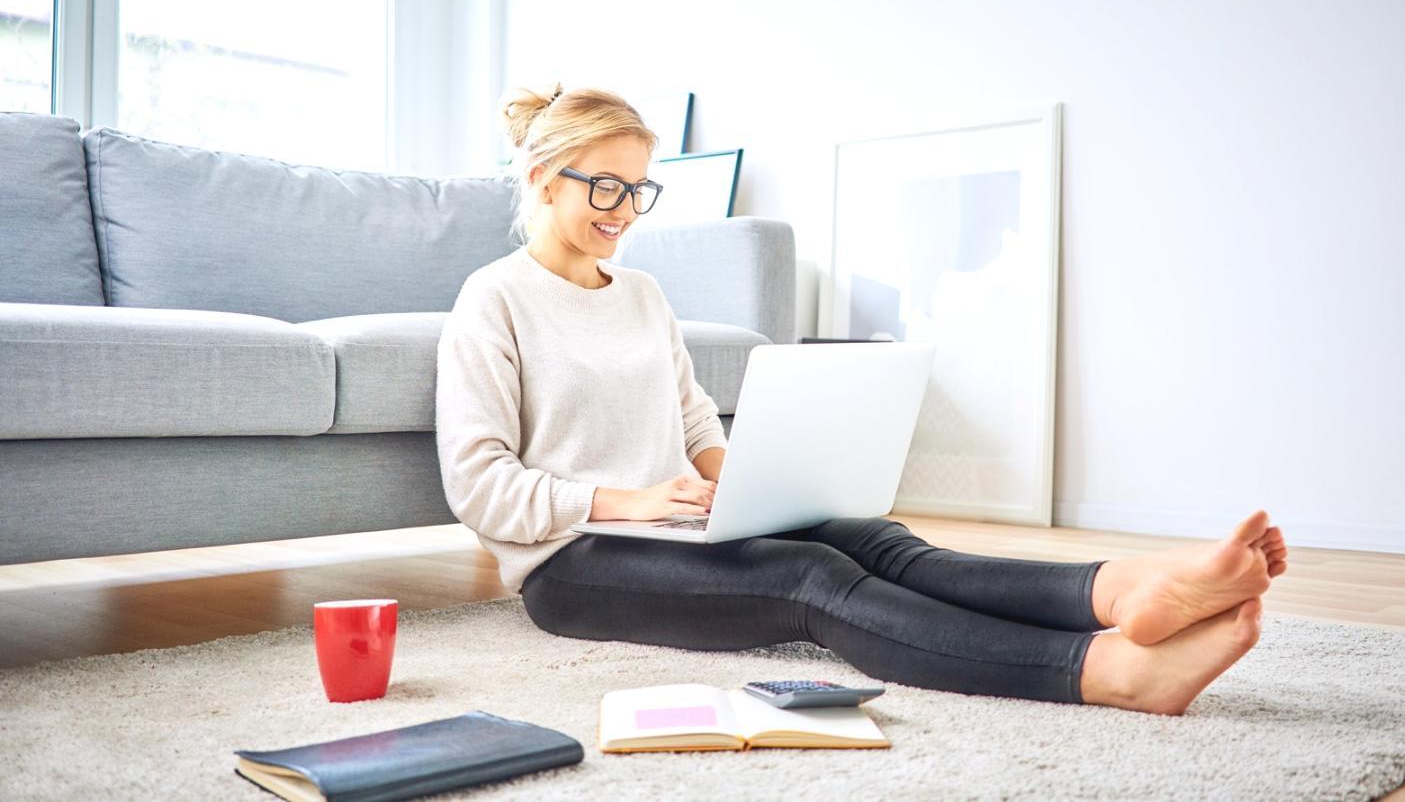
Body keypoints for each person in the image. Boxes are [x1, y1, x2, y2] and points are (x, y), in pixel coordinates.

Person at [434, 83, 1290, 716]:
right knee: (809, 578)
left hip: (677, 522)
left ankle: (1121, 590)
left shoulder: (642, 293)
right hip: (570, 567)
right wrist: (628, 498)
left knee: (871, 539)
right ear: (545, 179)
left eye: (639, 189)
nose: (625, 210)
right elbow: (479, 486)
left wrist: (746, 479)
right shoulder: (493, 299)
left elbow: (693, 418)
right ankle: (1103, 669)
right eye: (605, 187)